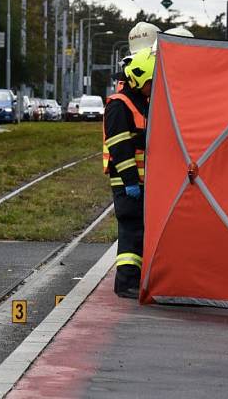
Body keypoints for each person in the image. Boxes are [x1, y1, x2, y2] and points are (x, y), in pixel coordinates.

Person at [102, 47, 155, 299]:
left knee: (139, 230)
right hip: (127, 181)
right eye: (150, 83)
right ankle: (125, 283)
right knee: (131, 230)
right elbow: (120, 147)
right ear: (137, 78)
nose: (152, 88)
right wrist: (131, 181)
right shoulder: (118, 105)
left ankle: (134, 279)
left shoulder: (140, 102)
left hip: (143, 180)